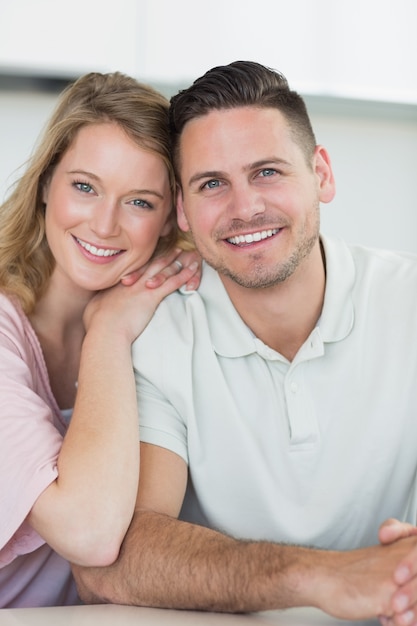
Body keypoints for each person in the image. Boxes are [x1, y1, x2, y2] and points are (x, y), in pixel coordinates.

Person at [72, 61, 417, 625]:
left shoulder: (408, 302)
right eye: (212, 184)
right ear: (182, 208)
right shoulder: (156, 334)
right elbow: (112, 561)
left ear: (321, 174)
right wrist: (323, 576)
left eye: (267, 172)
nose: (244, 208)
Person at [0, 70, 201, 608]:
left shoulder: (162, 312)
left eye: (139, 202)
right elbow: (88, 532)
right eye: (85, 187)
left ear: (169, 218)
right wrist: (108, 330)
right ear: (45, 184)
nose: (105, 225)